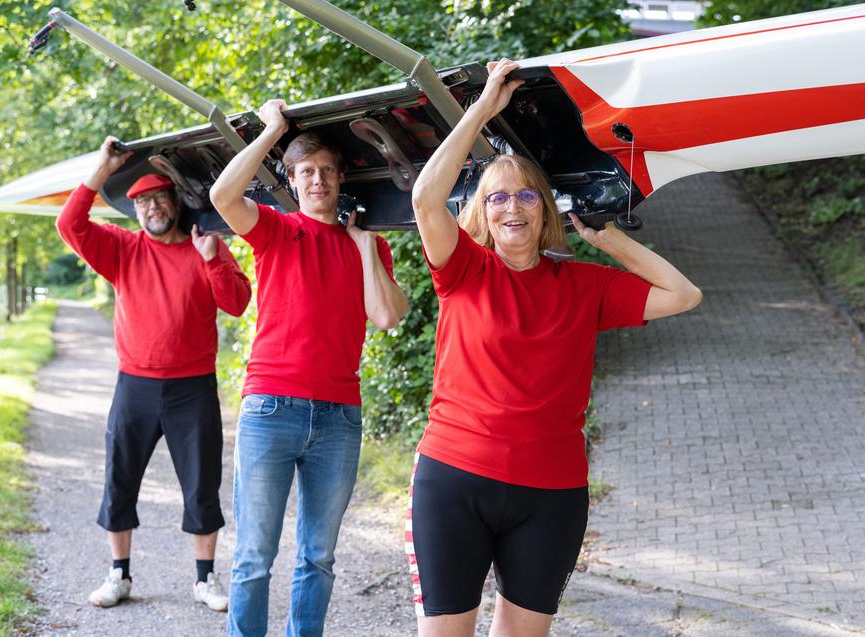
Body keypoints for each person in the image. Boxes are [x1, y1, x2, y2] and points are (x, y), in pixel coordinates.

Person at [407, 59, 703, 636]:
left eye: (525, 196)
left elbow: (683, 294)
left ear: (544, 208)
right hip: (454, 481)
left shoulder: (585, 284)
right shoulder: (463, 269)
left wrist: (609, 238)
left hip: (552, 494)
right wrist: (480, 111)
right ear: (483, 216)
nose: (512, 208)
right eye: (496, 199)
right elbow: (424, 199)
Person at [208, 99, 409, 637]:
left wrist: (365, 248)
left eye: (325, 171)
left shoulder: (372, 247)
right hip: (271, 409)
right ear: (292, 181)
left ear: (341, 179)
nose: (317, 180)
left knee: (318, 556)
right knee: (254, 555)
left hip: (340, 419)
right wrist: (272, 130)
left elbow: (387, 315)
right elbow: (223, 196)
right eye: (305, 172)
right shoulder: (276, 230)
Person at [56, 137, 253, 612]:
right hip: (135, 386)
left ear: (175, 202)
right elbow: (70, 224)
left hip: (193, 389)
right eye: (141, 202)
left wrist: (210, 260)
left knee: (201, 484)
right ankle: (118, 575)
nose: (149, 208)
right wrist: (101, 168)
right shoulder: (122, 249)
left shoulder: (207, 244)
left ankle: (205, 581)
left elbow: (238, 303)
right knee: (120, 481)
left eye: (157, 198)